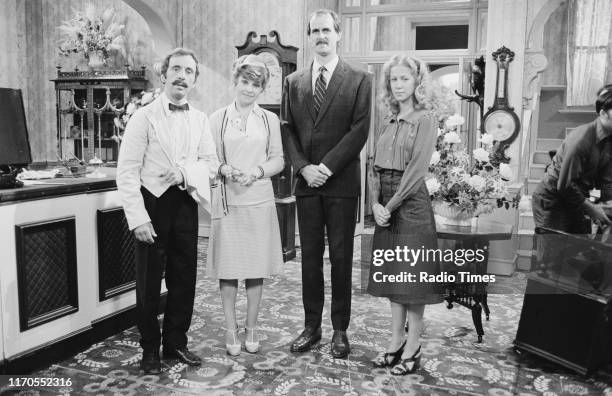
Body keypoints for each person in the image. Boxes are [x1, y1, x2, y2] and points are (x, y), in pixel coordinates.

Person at [117, 48, 219, 374]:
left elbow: (212, 165)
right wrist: (138, 219)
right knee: (148, 285)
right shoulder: (142, 117)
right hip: (151, 207)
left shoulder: (201, 119)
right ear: (164, 75)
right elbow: (127, 172)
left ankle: (175, 342)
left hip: (185, 207)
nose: (181, 76)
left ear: (194, 80)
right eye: (176, 69)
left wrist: (186, 174)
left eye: (189, 71)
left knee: (183, 280)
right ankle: (150, 348)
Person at [281, 9, 372, 359]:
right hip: (307, 185)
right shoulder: (294, 83)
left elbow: (359, 130)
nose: (321, 36)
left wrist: (326, 167)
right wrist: (303, 168)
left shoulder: (359, 79)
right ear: (310, 36)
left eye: (327, 30)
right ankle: (311, 327)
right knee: (309, 261)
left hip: (340, 184)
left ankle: (339, 329)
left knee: (341, 258)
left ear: (339, 34)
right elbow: (287, 129)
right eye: (315, 31)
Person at [366, 54, 442, 375]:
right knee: (394, 278)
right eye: (394, 79)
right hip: (385, 202)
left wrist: (391, 205)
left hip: (410, 204)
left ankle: (413, 346)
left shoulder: (426, 119)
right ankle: (395, 343)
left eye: (405, 79)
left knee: (413, 281)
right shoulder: (386, 119)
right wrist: (375, 205)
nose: (398, 85)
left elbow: (416, 171)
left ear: (417, 82)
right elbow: (374, 164)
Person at [207, 54, 284, 356]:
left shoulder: (269, 120)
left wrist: (257, 171)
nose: (249, 89)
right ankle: (231, 328)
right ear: (235, 81)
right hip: (228, 200)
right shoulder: (217, 119)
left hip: (259, 200)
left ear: (262, 89)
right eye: (245, 82)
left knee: (255, 268)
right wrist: (224, 168)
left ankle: (251, 327)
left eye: (256, 84)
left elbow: (278, 159)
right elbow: (209, 157)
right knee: (228, 269)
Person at [532, 84, 612, 234]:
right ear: (603, 113)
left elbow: (607, 182)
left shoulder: (609, 140)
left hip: (577, 198)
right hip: (552, 200)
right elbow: (565, 184)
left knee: (578, 249)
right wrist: (593, 209)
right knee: (553, 252)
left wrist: (607, 206)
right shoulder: (581, 139)